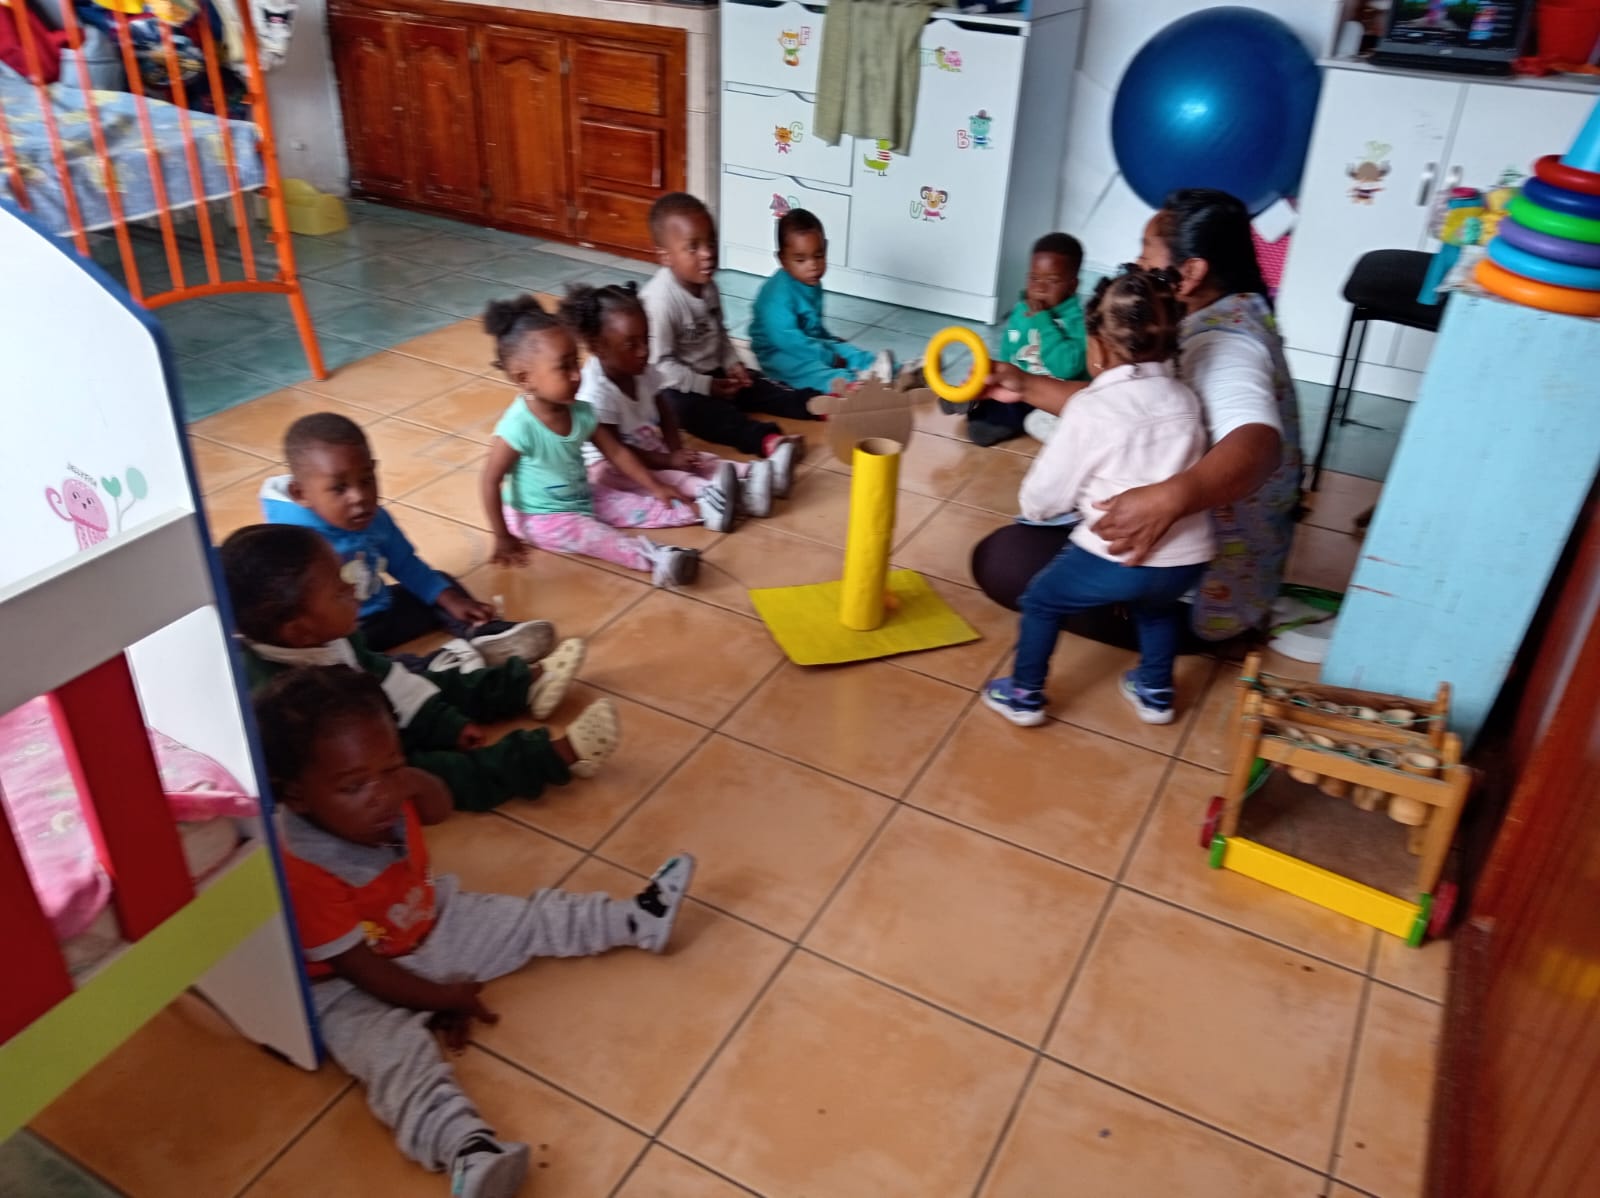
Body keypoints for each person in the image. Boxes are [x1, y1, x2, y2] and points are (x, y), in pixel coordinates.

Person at [256, 664, 694, 1198]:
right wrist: (444, 997)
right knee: (396, 1061)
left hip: (427, 920)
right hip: (345, 985)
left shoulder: (385, 792)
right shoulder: (302, 866)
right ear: (297, 796)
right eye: (354, 785)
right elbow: (361, 968)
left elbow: (438, 810)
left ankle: (638, 917)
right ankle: (468, 1150)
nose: (382, 794)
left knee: (529, 918)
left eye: (390, 766)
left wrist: (415, 779)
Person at [970, 188, 1302, 647]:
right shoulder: (1216, 314)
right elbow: (1125, 406)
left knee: (1003, 561)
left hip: (1202, 590)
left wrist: (1170, 498)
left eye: (1146, 250)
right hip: (1201, 555)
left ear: (1191, 272)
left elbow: (1259, 445)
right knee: (1030, 540)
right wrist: (1024, 385)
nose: (1136, 261)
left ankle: (1157, 619)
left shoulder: (1226, 347)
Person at [221, 524, 616, 812]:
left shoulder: (330, 637)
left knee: (430, 680)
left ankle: (524, 684)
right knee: (444, 773)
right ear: (299, 631)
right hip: (360, 762)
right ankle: (554, 756)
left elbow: (389, 679)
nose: (355, 590)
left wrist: (445, 723)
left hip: (372, 713)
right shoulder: (283, 700)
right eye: (340, 591)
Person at [982, 268, 1215, 727]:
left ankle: (1025, 695)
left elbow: (1044, 496)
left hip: (1118, 557)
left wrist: (1036, 511)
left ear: (1099, 348)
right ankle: (1156, 692)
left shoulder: (1091, 408)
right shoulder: (1186, 399)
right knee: (1156, 609)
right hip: (1187, 561)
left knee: (1042, 601)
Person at [260, 412, 555, 669]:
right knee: (364, 670)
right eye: (339, 488)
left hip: (381, 610)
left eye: (367, 480)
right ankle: (443, 666)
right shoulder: (294, 544)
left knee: (441, 585)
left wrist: (450, 600)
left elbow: (404, 563)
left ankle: (487, 634)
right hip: (341, 636)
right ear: (301, 494)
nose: (360, 496)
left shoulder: (374, 517)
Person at [477, 295, 704, 588]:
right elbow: (489, 481)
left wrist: (655, 486)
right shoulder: (518, 427)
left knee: (636, 504)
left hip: (583, 495)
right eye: (564, 367)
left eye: (577, 362)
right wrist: (502, 536)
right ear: (525, 379)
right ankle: (659, 559)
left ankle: (704, 510)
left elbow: (617, 453)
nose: (577, 375)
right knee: (595, 536)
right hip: (540, 516)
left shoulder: (580, 411)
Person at [563, 281, 774, 532]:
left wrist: (676, 452)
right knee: (672, 477)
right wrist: (668, 462)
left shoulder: (641, 369)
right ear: (598, 347)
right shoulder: (596, 393)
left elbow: (665, 412)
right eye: (631, 345)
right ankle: (726, 496)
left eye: (646, 339)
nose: (644, 351)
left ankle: (753, 474)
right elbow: (618, 453)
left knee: (700, 461)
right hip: (613, 468)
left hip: (647, 447)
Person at [640, 191, 806, 486]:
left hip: (713, 374)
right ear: (665, 256)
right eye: (693, 247)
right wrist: (706, 386)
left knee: (760, 385)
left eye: (711, 242)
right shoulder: (659, 301)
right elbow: (660, 367)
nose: (707, 253)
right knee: (700, 414)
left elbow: (719, 332)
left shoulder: (708, 285)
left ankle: (819, 405)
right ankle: (769, 442)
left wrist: (732, 364)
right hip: (676, 387)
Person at [959, 232, 1090, 447]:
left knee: (1018, 417)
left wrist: (1043, 321)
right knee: (990, 394)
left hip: (1051, 394)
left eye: (1052, 281)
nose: (1040, 288)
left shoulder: (1077, 322)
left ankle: (991, 415)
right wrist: (1000, 374)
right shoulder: (1022, 309)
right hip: (1018, 386)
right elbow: (1009, 347)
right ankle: (970, 402)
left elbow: (1066, 368)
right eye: (1034, 278)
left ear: (1072, 285)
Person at [750, 207, 893, 396]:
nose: (813, 266)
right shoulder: (776, 297)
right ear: (783, 260)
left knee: (845, 350)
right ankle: (850, 385)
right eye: (800, 260)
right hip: (777, 351)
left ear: (825, 248)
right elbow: (790, 341)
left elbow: (812, 325)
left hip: (807, 342)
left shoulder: (810, 282)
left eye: (818, 256)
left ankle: (884, 370)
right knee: (809, 371)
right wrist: (828, 357)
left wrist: (829, 340)